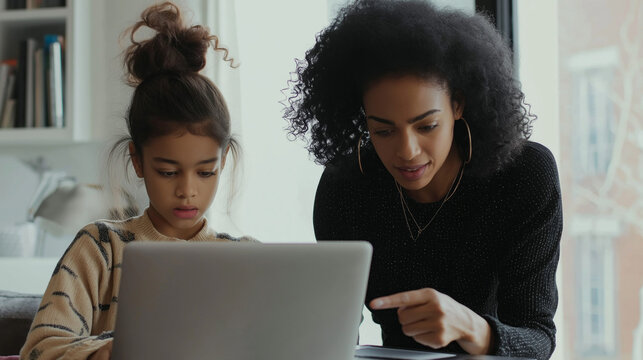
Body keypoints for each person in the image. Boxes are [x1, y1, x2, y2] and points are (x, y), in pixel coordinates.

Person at [284, 1, 562, 359]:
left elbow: (538, 340)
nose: (407, 151)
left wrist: (471, 327)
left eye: (426, 126)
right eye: (383, 131)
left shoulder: (523, 175)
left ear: (458, 105)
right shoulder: (346, 186)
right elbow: (335, 332)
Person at [20, 3, 254, 359]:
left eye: (206, 172)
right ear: (138, 160)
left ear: (222, 162)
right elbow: (41, 349)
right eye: (168, 171)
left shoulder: (248, 258)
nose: (188, 190)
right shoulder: (100, 248)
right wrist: (125, 350)